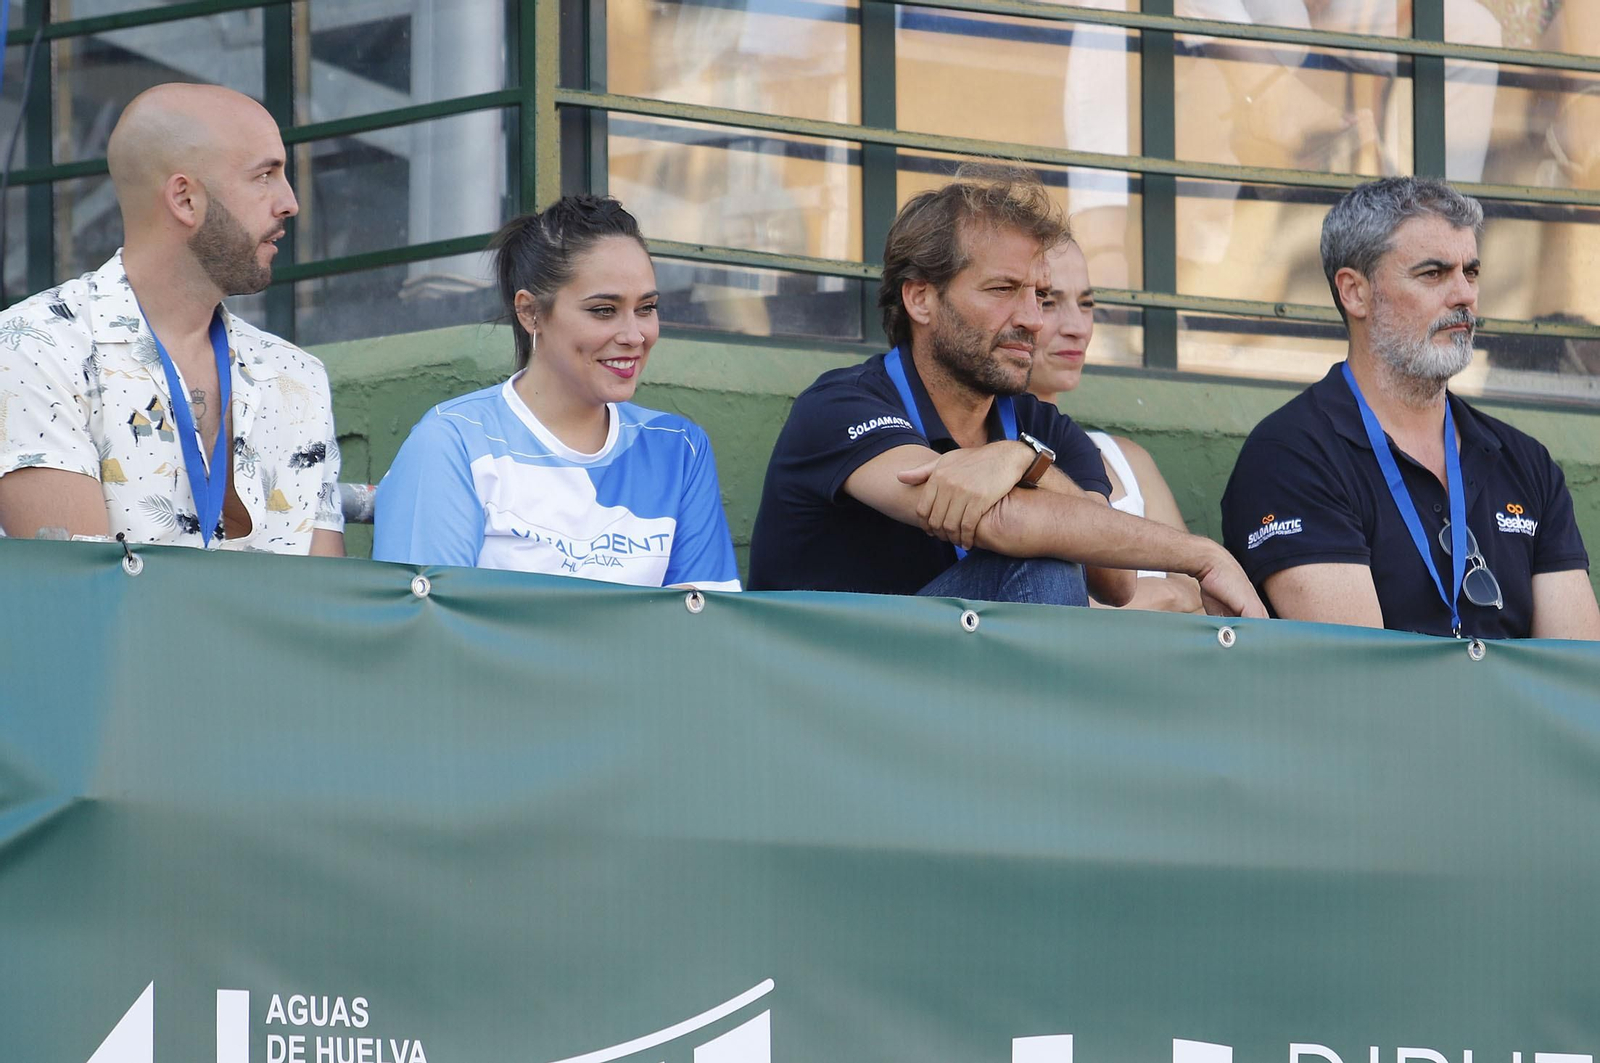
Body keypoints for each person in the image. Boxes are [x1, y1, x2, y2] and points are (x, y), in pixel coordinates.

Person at [746, 165, 1265, 618]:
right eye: (1002, 290)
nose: (1032, 319)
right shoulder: (842, 405)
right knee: (1044, 566)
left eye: (1038, 296)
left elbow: (1114, 578)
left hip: (947, 695)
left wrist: (1024, 460)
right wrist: (1202, 556)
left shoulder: (1042, 428)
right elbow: (1003, 524)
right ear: (921, 298)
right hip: (822, 698)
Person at [1220, 176, 1600, 639]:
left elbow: (1574, 673)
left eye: (1471, 272)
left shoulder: (1526, 462)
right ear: (1355, 292)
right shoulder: (1290, 455)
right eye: (1433, 274)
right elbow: (1361, 673)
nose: (1464, 295)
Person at [0, 84, 344, 554]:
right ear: (184, 199)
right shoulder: (32, 346)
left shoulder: (297, 375)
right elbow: (80, 599)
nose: (289, 202)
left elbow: (327, 605)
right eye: (265, 175)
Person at [373, 195, 741, 591]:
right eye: (603, 310)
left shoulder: (679, 450)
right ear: (530, 312)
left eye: (646, 308)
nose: (634, 335)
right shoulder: (454, 441)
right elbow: (422, 627)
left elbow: (706, 629)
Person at [1028, 239, 1204, 614]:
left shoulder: (1126, 459)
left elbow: (1202, 599)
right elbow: (1037, 610)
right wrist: (1166, 595)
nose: (1077, 327)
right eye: (1048, 301)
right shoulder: (981, 447)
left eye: (1087, 303)